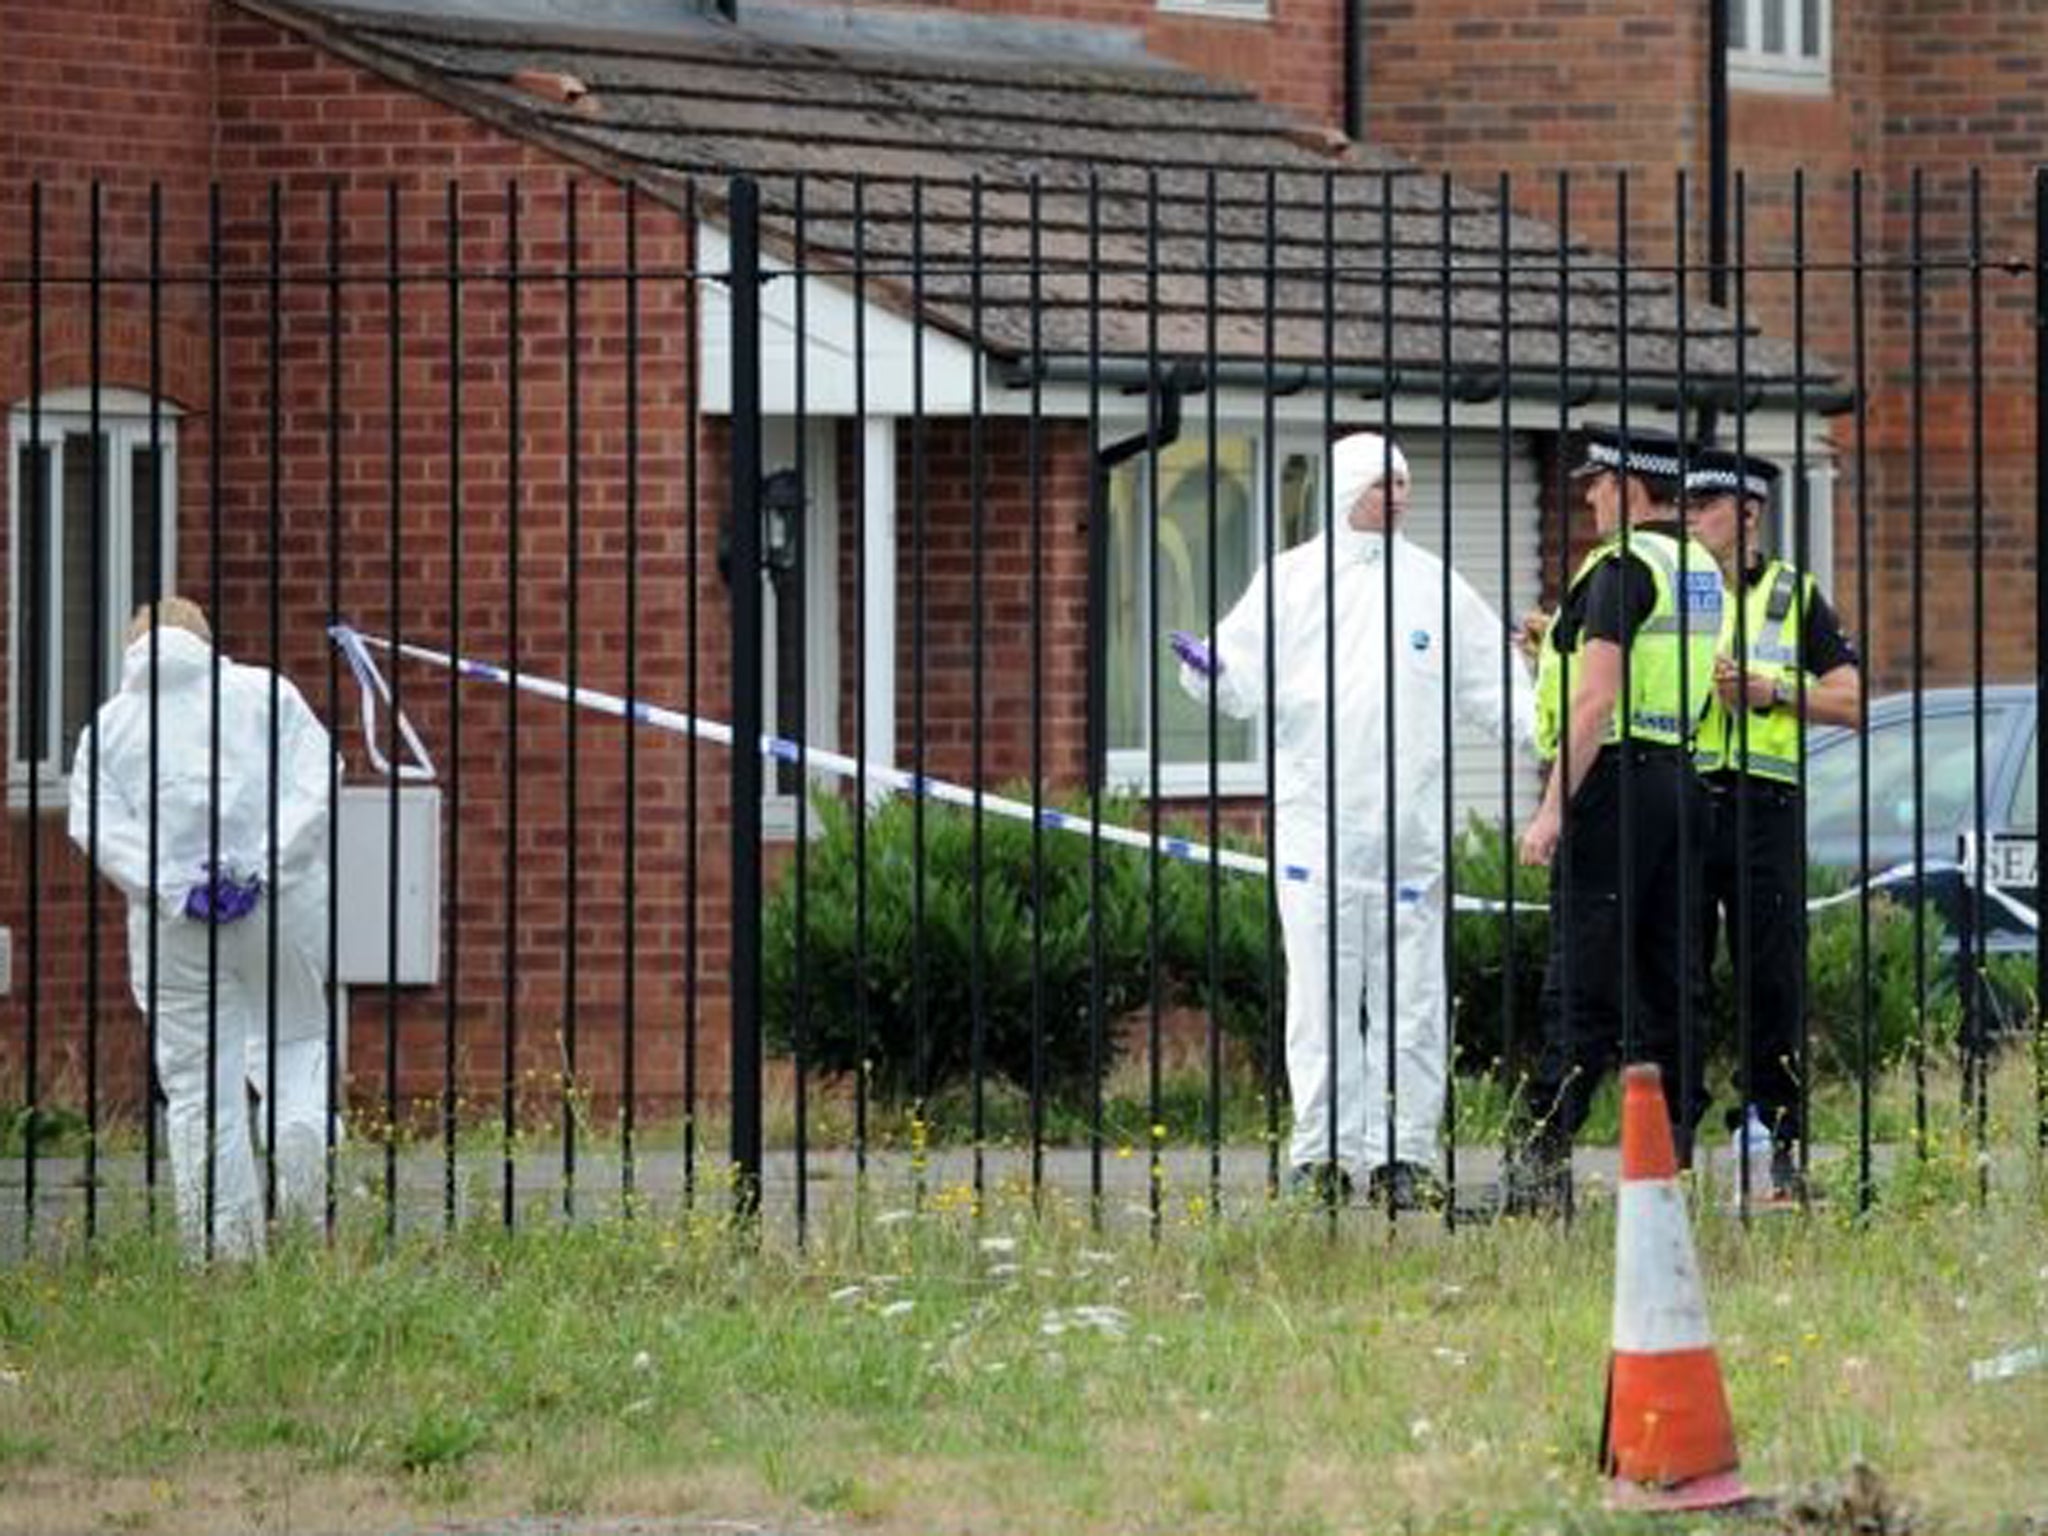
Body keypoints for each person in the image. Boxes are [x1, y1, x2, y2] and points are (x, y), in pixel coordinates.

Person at [1171, 431, 1536, 1210]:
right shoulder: (1293, 583)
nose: (1398, 495)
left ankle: (1404, 1154)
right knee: (1322, 996)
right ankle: (1322, 1154)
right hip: (1316, 831)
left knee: (1413, 999)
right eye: (1383, 482)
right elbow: (1239, 671)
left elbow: (1496, 688)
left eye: (1405, 481)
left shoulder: (1434, 587)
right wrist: (1207, 670)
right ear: (1344, 490)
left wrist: (1556, 728)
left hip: (1411, 837)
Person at [68, 598, 334, 1259]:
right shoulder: (265, 694)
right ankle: (305, 1217)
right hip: (278, 910)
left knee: (198, 1089)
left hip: (175, 928)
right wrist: (262, 867)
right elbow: (318, 781)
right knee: (294, 1046)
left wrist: (174, 886)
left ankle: (224, 1252)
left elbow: (94, 826)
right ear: (207, 642)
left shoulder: (109, 728)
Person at [1508, 425, 1723, 1215]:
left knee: (1581, 984)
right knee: (1673, 984)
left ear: (1631, 487)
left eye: (1597, 481)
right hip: (1681, 781)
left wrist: (1549, 812)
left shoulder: (1622, 567)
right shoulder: (1698, 567)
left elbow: (1598, 700)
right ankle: (1670, 1166)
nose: (1588, 495)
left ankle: (1539, 1171)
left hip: (1616, 792)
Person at [1684, 447, 1861, 1201]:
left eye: (1705, 507)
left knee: (1770, 978)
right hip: (1687, 798)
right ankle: (1670, 1145)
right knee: (1677, 975)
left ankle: (1775, 1143)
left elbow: (1851, 703)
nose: (1690, 519)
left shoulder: (1797, 595)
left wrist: (1770, 690)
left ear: (1748, 514)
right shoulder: (1672, 589)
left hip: (1766, 803)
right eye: (1685, 507)